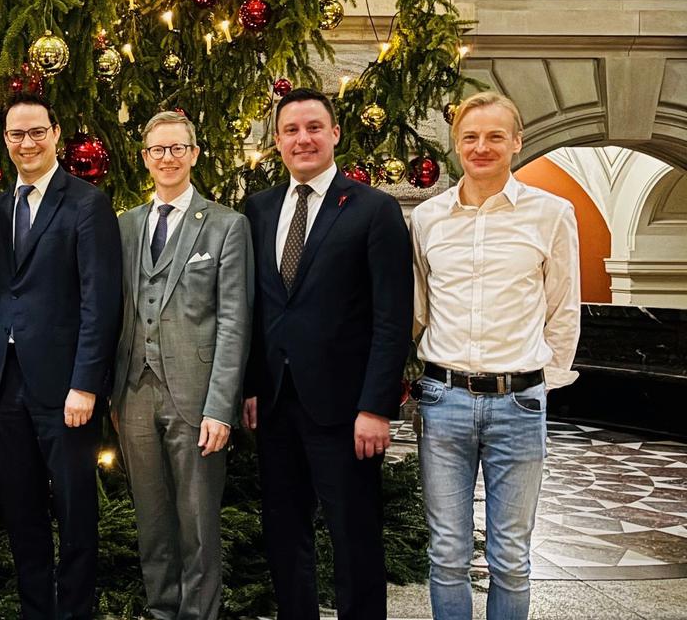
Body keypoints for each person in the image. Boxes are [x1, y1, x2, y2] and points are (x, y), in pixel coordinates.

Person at [241, 87, 412, 620]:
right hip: (274, 404)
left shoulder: (373, 209)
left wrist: (376, 406)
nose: (303, 139)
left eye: (314, 127)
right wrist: (248, 386)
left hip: (347, 411)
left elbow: (392, 318)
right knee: (285, 533)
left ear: (335, 133)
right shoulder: (258, 209)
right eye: (291, 130)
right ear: (277, 142)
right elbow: (252, 307)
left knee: (354, 536)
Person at [411, 92, 580, 620]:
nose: (481, 147)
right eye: (470, 137)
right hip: (443, 401)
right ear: (456, 144)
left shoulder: (552, 214)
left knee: (510, 556)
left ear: (517, 142)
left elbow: (563, 307)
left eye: (494, 136)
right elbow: (418, 308)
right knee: (447, 552)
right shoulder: (427, 218)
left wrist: (541, 382)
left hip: (519, 405)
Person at [0, 94, 123, 620]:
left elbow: (99, 300)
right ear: (6, 141)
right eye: (17, 135)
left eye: (37, 132)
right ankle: (35, 610)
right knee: (22, 513)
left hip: (66, 388)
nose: (27, 143)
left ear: (56, 133)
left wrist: (86, 384)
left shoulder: (87, 203)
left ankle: (76, 612)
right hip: (5, 386)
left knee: (75, 509)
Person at [112, 111, 253, 620]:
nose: (166, 158)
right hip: (133, 393)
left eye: (176, 148)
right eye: (157, 150)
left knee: (196, 523)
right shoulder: (126, 225)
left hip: (196, 395)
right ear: (145, 158)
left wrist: (222, 408)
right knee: (151, 521)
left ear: (194, 154)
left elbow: (235, 323)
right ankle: (161, 611)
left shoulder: (226, 225)